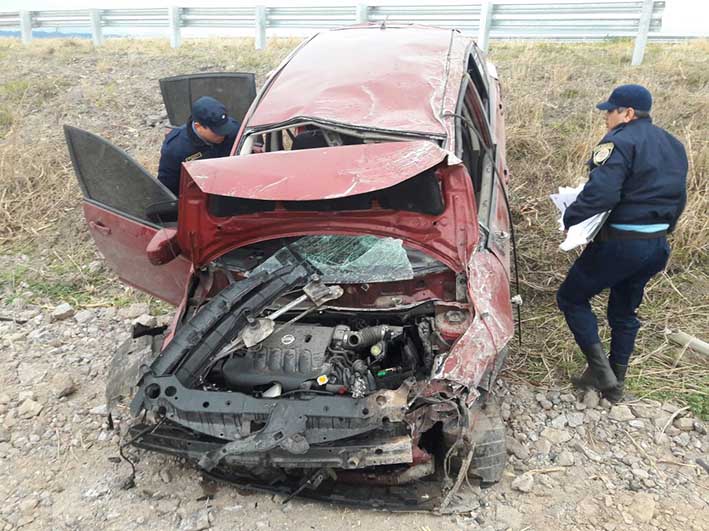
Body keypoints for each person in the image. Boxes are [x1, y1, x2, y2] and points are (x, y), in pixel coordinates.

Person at [556, 84, 688, 402]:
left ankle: (603, 376)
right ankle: (616, 380)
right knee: (624, 312)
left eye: (609, 111)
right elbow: (679, 197)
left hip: (621, 243)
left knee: (571, 297)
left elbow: (602, 193)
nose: (605, 117)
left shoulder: (619, 141)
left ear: (627, 113)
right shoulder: (673, 144)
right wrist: (660, 230)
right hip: (656, 245)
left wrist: (570, 217)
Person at [157, 96, 240, 196]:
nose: (223, 135)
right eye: (217, 132)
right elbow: (168, 189)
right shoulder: (175, 149)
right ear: (198, 126)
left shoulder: (234, 130)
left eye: (225, 128)